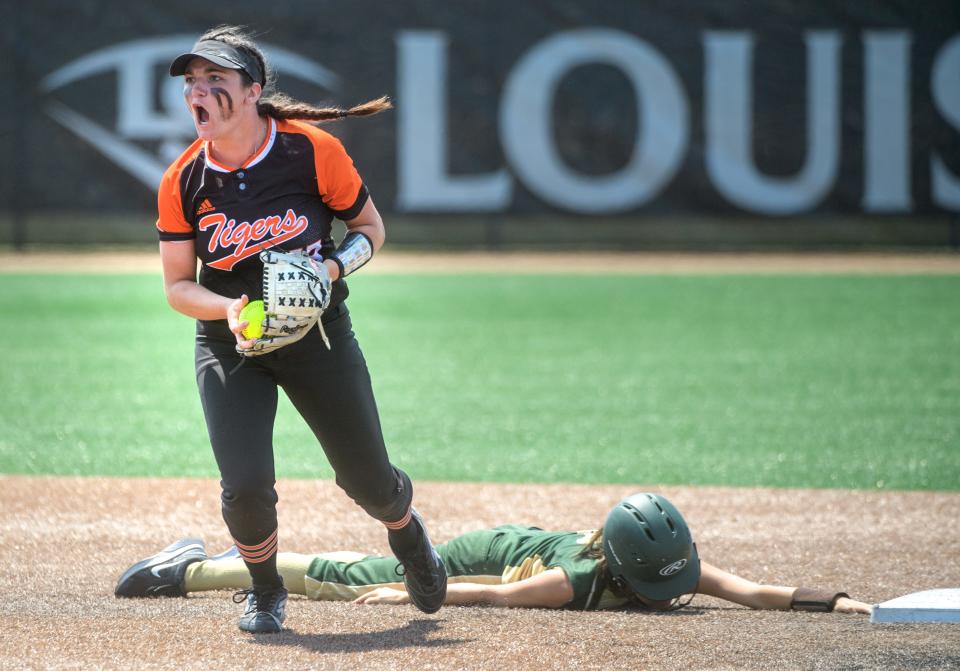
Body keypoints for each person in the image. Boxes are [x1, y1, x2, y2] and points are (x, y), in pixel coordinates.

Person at [153, 25, 446, 633]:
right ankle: (265, 590)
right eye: (191, 83)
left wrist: (335, 266)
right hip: (232, 343)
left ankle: (407, 533)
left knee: (368, 482)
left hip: (318, 335)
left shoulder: (309, 150)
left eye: (215, 80)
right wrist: (227, 309)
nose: (198, 93)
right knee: (246, 486)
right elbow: (179, 287)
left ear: (253, 90)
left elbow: (371, 229)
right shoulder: (183, 179)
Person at [115, 493, 872, 615]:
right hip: (486, 558)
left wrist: (835, 600)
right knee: (350, 578)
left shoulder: (674, 568)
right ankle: (186, 568)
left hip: (514, 551)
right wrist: (414, 591)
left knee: (354, 571)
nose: (673, 591)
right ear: (617, 567)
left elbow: (755, 592)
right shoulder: (574, 580)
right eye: (657, 581)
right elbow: (496, 596)